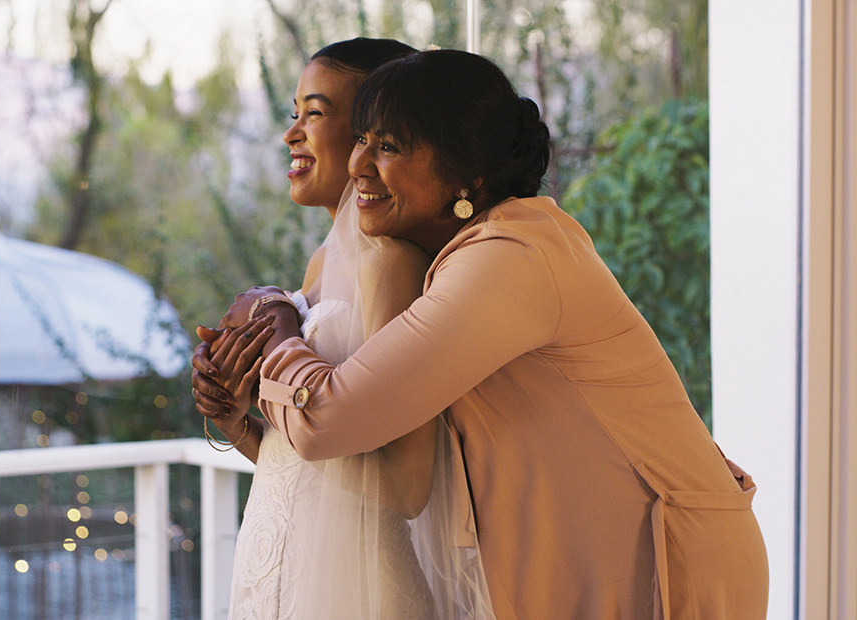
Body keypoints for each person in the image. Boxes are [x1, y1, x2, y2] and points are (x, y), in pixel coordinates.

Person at [210, 49, 770, 619]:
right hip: (580, 559)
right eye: (362, 139)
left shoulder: (511, 258)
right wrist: (246, 424)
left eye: (389, 146)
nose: (359, 166)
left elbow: (329, 416)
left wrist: (277, 324)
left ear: (467, 175)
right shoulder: (449, 260)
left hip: (665, 559)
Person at [191, 40, 494, 619]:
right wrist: (241, 423)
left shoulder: (392, 265)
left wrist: (280, 346)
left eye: (315, 112)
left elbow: (404, 492)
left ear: (371, 131)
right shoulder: (322, 264)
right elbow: (310, 473)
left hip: (356, 593)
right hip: (287, 567)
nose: (292, 133)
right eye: (293, 114)